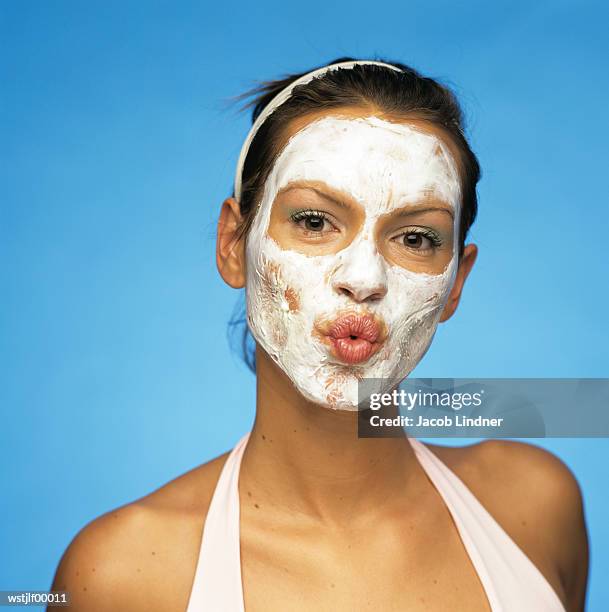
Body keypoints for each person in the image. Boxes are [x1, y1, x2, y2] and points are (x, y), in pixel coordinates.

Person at [50, 57, 589, 611]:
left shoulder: (533, 506)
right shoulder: (122, 574)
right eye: (313, 222)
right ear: (234, 243)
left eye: (417, 237)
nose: (364, 279)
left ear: (456, 282)